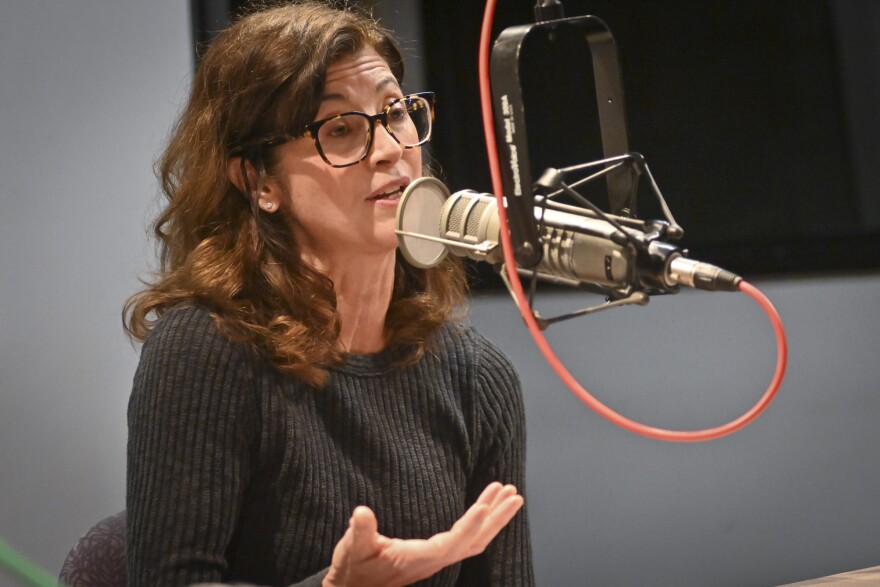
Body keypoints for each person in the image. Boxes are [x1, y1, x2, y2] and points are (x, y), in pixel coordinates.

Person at [123, 1, 534, 586]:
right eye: (340, 129)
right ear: (259, 181)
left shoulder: (478, 379)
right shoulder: (206, 353)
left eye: (396, 112)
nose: (391, 148)